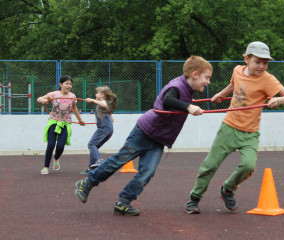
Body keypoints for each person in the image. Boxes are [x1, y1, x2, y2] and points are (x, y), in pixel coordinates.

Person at [75, 55, 212, 216]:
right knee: (119, 160)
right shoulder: (176, 86)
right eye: (207, 77)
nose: (208, 82)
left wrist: (189, 104)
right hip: (144, 132)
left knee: (147, 172)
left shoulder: (187, 89)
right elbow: (168, 100)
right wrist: (188, 107)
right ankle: (87, 183)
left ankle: (123, 202)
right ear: (195, 74)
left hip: (158, 140)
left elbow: (177, 101)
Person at [185, 41, 284, 214]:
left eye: (265, 62)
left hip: (250, 133)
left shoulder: (268, 79)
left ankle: (228, 189)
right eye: (257, 61)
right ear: (246, 59)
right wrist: (221, 94)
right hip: (229, 127)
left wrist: (278, 100)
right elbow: (234, 85)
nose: (262, 66)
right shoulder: (237, 70)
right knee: (210, 165)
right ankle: (194, 198)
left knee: (248, 165)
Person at [37, 75, 85, 175]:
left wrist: (80, 120)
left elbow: (74, 108)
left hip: (66, 123)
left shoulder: (72, 96)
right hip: (53, 122)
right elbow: (39, 98)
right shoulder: (54, 94)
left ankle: (56, 158)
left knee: (60, 146)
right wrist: (43, 100)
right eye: (66, 83)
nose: (68, 86)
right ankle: (45, 167)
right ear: (60, 84)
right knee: (50, 145)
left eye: (70, 84)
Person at [80, 86, 117, 174]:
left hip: (104, 128)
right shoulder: (103, 103)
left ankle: (99, 160)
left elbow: (104, 105)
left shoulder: (103, 102)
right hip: (108, 128)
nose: (95, 94)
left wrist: (92, 100)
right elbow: (112, 119)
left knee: (91, 144)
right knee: (94, 146)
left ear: (102, 95)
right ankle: (91, 168)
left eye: (97, 93)